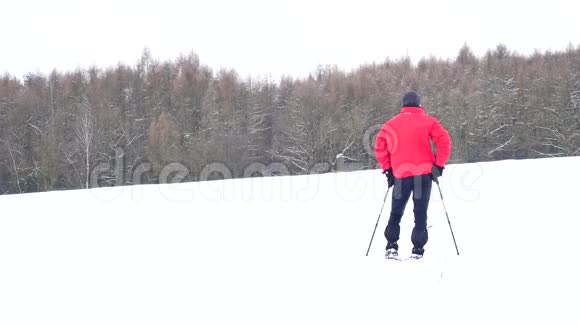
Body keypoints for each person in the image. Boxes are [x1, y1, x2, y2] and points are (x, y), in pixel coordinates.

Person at [374, 91, 451, 259]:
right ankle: (417, 249)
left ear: (403, 105)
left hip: (401, 173)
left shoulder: (390, 124)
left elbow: (379, 147)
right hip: (424, 174)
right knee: (420, 212)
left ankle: (391, 246)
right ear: (419, 105)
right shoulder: (429, 121)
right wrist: (438, 165)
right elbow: (444, 141)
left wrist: (388, 170)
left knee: (396, 212)